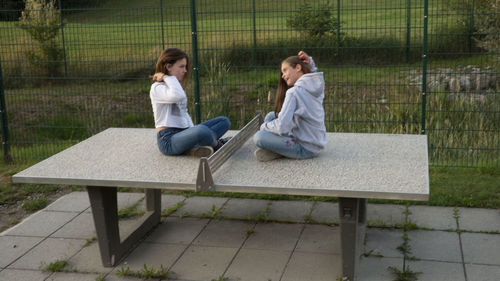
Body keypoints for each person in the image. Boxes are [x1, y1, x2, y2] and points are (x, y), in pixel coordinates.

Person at [150, 47, 231, 157]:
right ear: (168, 66)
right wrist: (166, 77)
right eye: (181, 66)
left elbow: (184, 114)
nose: (185, 70)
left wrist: (192, 132)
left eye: (185, 66)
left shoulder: (174, 86)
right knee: (201, 131)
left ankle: (194, 146)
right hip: (168, 140)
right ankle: (217, 145)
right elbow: (177, 96)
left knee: (224, 121)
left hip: (184, 133)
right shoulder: (157, 88)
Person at [253, 51, 327, 161]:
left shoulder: (293, 92)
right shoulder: (316, 86)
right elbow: (312, 72)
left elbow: (282, 126)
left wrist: (264, 126)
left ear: (298, 68)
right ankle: (280, 150)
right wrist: (310, 62)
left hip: (304, 148)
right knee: (271, 115)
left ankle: (280, 150)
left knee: (259, 137)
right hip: (316, 143)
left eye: (285, 70)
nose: (282, 76)